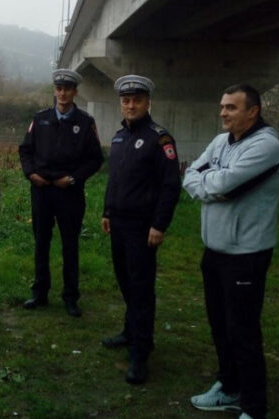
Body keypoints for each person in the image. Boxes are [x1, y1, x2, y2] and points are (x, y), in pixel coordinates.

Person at [183, 84, 279, 419]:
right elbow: (190, 175)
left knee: (243, 332)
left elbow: (223, 184)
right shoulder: (220, 141)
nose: (223, 113)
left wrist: (211, 184)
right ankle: (230, 387)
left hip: (246, 254)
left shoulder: (266, 145)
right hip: (215, 250)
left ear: (253, 111)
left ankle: (256, 415)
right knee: (220, 325)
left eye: (232, 107)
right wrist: (211, 185)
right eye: (223, 106)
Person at [100, 75, 181, 384]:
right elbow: (115, 180)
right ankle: (130, 331)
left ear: (148, 102)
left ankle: (140, 352)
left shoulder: (159, 139)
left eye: (136, 100)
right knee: (125, 280)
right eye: (126, 100)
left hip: (142, 226)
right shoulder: (119, 137)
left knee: (141, 287)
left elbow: (170, 186)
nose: (130, 105)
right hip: (118, 222)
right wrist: (107, 211)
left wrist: (159, 224)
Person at [19, 69, 104, 317]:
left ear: (75, 91)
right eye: (59, 89)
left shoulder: (85, 122)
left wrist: (74, 178)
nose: (63, 93)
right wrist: (30, 173)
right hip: (42, 190)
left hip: (69, 192)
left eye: (67, 89)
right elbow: (25, 150)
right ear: (54, 91)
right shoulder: (40, 119)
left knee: (70, 244)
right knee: (41, 242)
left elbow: (95, 159)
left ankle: (70, 297)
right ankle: (40, 292)